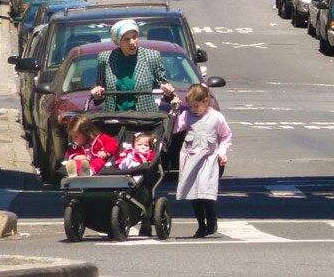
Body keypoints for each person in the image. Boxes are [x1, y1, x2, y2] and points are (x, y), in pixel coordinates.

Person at [174, 83, 232, 238]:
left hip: (208, 159)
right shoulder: (187, 116)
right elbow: (174, 128)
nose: (193, 109)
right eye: (190, 106)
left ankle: (211, 218)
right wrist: (174, 112)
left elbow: (226, 136)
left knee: (205, 191)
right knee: (194, 194)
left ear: (206, 101)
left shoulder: (216, 118)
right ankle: (201, 225)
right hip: (191, 157)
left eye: (196, 106)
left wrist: (222, 152)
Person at [91, 19, 175, 112]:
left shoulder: (152, 56)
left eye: (134, 37)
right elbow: (100, 91)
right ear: (119, 42)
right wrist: (97, 94)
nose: (132, 42)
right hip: (114, 119)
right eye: (126, 39)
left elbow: (162, 87)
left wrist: (167, 90)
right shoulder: (106, 58)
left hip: (144, 119)